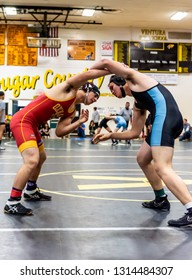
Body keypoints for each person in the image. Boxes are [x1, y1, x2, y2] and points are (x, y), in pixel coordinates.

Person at [91, 58, 192, 227]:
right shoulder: (138, 103)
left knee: (162, 167)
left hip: (166, 118)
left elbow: (105, 61)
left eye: (111, 88)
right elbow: (134, 133)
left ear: (120, 81)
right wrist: (110, 135)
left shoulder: (134, 78)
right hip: (168, 119)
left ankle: (191, 208)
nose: (113, 92)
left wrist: (87, 76)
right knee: (142, 158)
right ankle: (160, 199)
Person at [4, 67, 110, 216]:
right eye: (95, 96)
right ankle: (12, 202)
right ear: (87, 89)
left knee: (42, 157)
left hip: (32, 125)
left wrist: (79, 122)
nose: (94, 100)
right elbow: (87, 74)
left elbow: (60, 132)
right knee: (31, 160)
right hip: (23, 121)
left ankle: (31, 190)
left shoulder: (72, 110)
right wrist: (110, 70)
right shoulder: (68, 90)